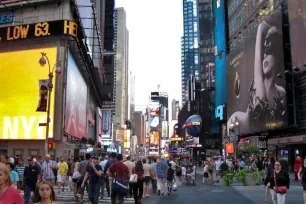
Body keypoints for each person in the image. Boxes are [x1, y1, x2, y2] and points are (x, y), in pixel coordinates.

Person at [227, 14, 286, 134]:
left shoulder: (281, 93)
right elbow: (258, 74)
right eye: (263, 52)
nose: (264, 56)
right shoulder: (258, 89)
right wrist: (260, 30)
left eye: (270, 52)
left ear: (278, 57)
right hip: (239, 126)